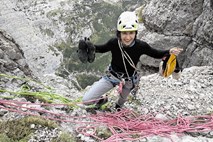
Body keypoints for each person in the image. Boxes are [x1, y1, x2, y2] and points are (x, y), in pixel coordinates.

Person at [78, 11, 183, 110]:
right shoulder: (114, 43)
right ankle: (102, 100)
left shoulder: (141, 46)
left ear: (135, 33)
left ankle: (118, 108)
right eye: (124, 33)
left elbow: (156, 53)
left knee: (120, 103)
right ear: (119, 33)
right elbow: (101, 48)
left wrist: (169, 52)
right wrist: (89, 46)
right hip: (113, 76)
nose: (128, 37)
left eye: (131, 33)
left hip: (129, 79)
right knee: (86, 101)